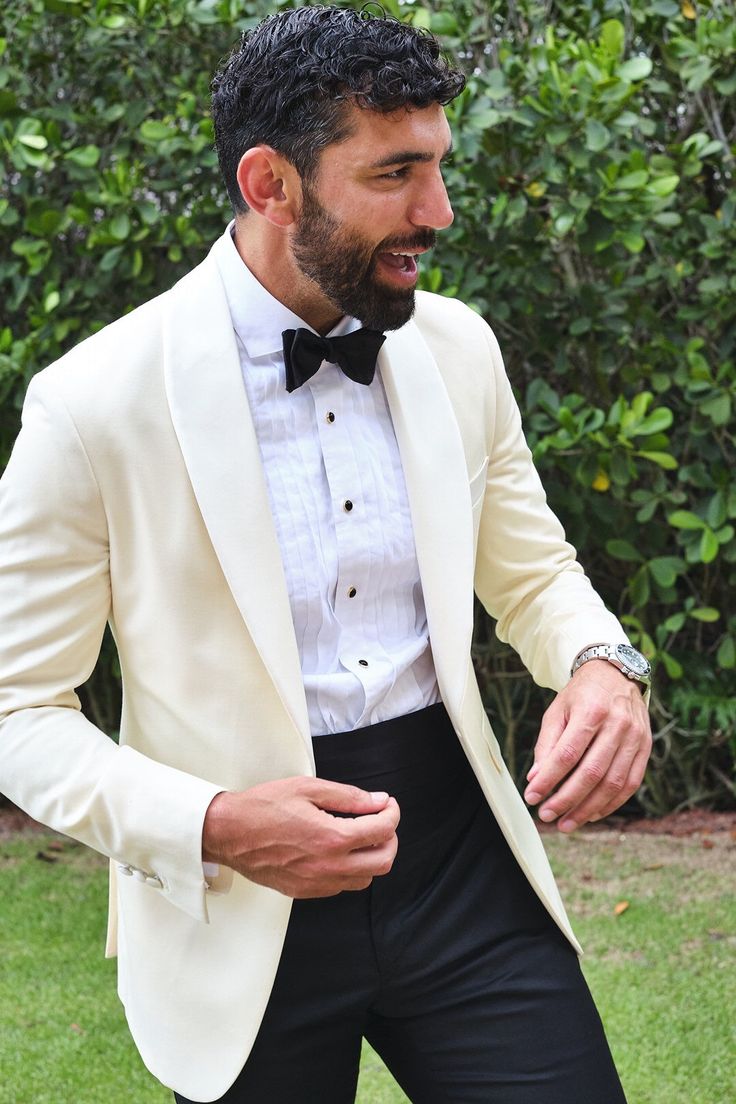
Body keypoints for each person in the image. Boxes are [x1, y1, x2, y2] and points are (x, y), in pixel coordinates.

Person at [0, 6, 652, 1103]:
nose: (437, 213)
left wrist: (601, 663)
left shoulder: (459, 348)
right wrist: (210, 826)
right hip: (238, 914)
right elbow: (17, 708)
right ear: (271, 184)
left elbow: (534, 573)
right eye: (395, 173)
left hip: (465, 874)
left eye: (439, 167)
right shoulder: (90, 405)